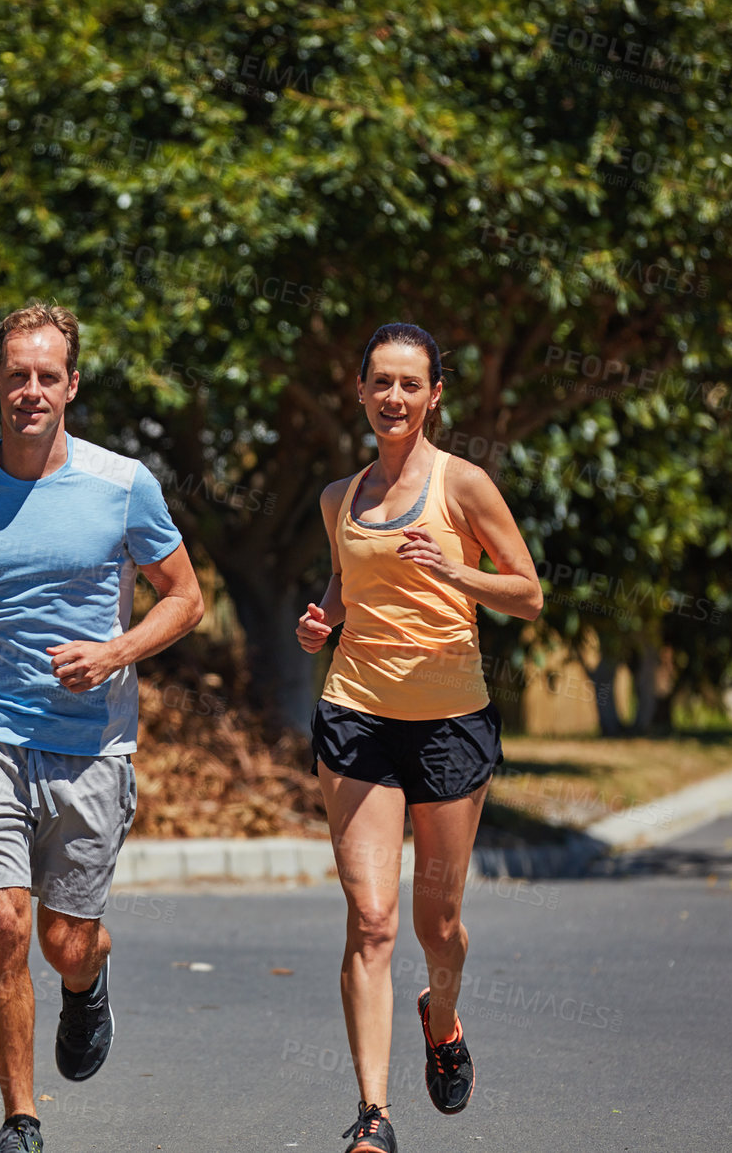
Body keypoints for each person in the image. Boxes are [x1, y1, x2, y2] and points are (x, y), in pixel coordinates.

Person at [0, 301, 204, 1153]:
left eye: (46, 375)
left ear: (71, 385)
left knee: (64, 941)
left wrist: (115, 652)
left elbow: (185, 598)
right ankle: (21, 1118)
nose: (30, 390)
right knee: (5, 922)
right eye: (15, 374)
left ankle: (87, 984)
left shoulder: (123, 485)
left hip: (93, 741)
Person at [294, 323, 543, 1153]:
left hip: (448, 723)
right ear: (360, 391)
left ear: (435, 396)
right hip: (357, 714)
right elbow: (343, 586)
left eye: (410, 384)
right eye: (380, 383)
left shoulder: (463, 484)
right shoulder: (340, 497)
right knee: (371, 919)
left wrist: (456, 573)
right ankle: (373, 1115)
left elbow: (528, 594)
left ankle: (440, 1013)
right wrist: (319, 622)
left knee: (438, 927)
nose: (394, 398)